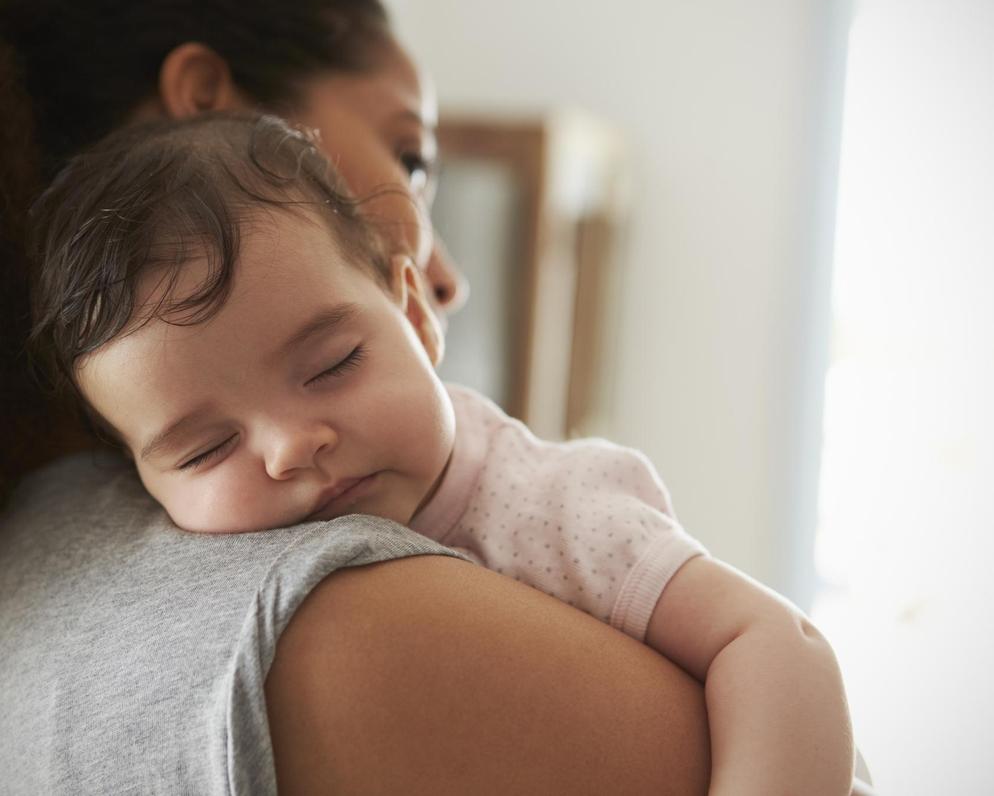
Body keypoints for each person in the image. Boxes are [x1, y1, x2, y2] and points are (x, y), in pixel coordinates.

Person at [0, 0, 714, 792]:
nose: (446, 280)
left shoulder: (44, 545)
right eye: (410, 159)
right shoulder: (338, 630)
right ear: (208, 104)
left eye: (331, 363)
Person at [30, 112, 855, 796]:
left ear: (416, 317)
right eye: (208, 449)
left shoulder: (549, 503)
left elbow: (777, 644)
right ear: (136, 478)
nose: (289, 448)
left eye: (332, 366)